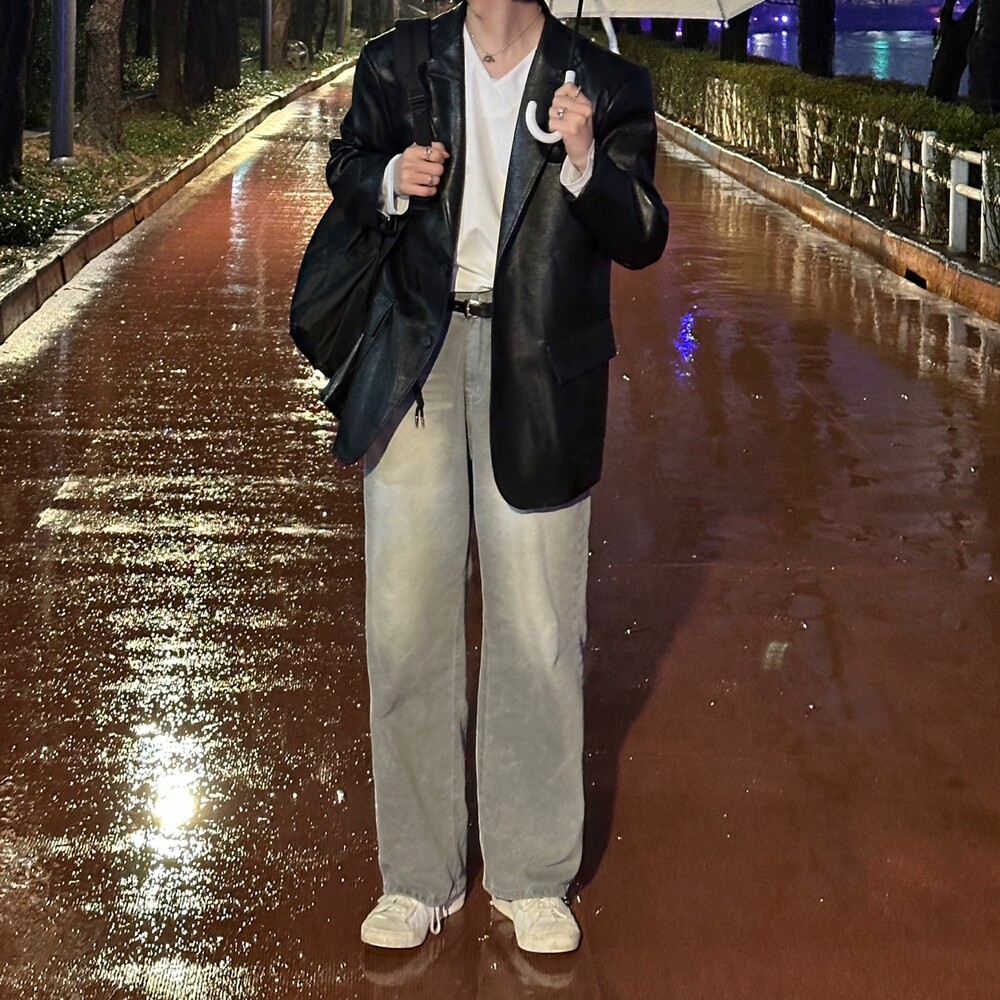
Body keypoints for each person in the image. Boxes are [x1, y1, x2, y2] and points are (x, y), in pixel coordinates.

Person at [326, 0, 668, 955]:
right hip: (417, 358)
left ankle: (531, 875)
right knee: (406, 623)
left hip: (541, 371)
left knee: (538, 626)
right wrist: (389, 177)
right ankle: (416, 875)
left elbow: (644, 232)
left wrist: (586, 158)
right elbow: (346, 169)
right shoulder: (397, 64)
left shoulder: (604, 83)